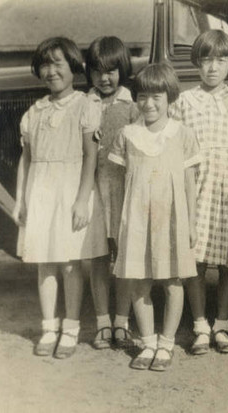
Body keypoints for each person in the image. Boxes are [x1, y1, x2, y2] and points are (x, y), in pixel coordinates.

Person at [13, 37, 108, 359]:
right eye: (45, 64)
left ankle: (70, 328)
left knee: (69, 264)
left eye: (58, 64)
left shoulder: (86, 105)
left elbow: (90, 157)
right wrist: (20, 200)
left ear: (73, 68)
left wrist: (82, 200)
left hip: (70, 189)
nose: (51, 71)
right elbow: (26, 160)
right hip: (41, 189)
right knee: (45, 263)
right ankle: (48, 327)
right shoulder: (34, 111)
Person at [108, 63, 201, 371]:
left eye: (156, 97)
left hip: (171, 219)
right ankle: (147, 342)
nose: (149, 104)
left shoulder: (183, 134)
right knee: (139, 282)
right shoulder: (127, 135)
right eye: (143, 96)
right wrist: (118, 226)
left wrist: (190, 223)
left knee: (173, 281)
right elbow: (119, 185)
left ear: (169, 97)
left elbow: (189, 183)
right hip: (136, 219)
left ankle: (166, 343)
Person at [171, 30, 228, 355]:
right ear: (197, 62)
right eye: (206, 59)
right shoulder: (183, 102)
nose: (212, 67)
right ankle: (200, 325)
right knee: (196, 259)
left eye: (220, 59)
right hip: (197, 185)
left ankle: (222, 325)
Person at [85, 36, 139, 350]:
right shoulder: (84, 103)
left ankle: (122, 321)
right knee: (98, 258)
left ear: (122, 70)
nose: (105, 78)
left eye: (112, 70)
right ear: (89, 72)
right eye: (98, 71)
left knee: (124, 258)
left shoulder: (132, 107)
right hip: (94, 190)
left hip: (122, 190)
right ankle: (102, 321)